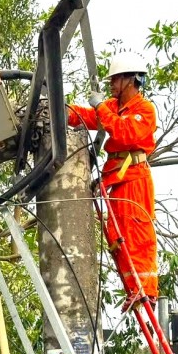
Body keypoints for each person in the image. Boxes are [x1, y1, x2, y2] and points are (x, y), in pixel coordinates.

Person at [67, 52, 159, 301]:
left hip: (134, 178)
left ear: (129, 80)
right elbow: (89, 117)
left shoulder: (144, 110)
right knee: (117, 236)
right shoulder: (113, 107)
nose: (111, 85)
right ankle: (132, 289)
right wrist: (62, 111)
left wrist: (100, 107)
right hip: (117, 176)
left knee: (136, 233)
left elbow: (124, 132)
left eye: (115, 80)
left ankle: (145, 290)